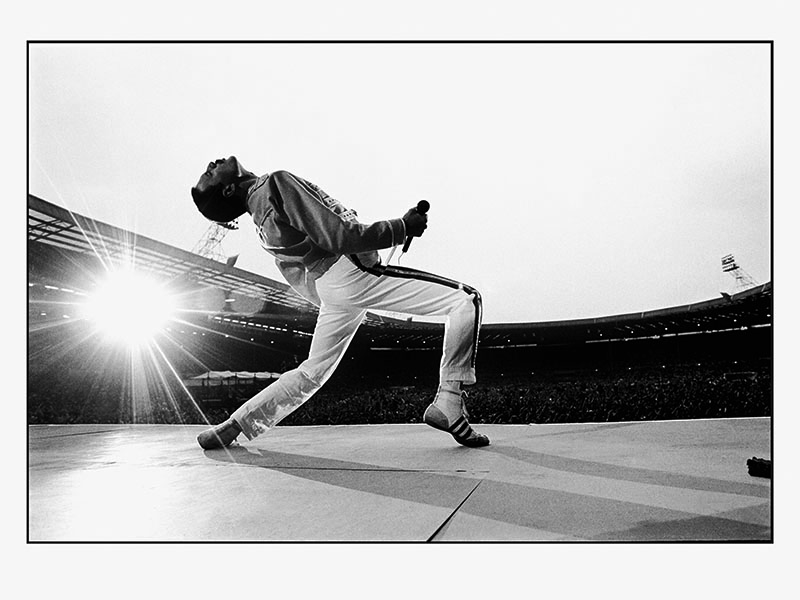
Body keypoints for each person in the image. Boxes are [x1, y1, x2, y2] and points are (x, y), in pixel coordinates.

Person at [191, 156, 488, 449]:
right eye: (210, 173)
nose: (212, 163)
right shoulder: (274, 183)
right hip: (349, 272)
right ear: (228, 189)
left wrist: (337, 287)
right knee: (466, 300)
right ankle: (449, 399)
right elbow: (338, 235)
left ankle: (235, 424)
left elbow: (300, 267)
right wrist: (401, 227)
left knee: (311, 373)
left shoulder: (260, 220)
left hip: (332, 287)